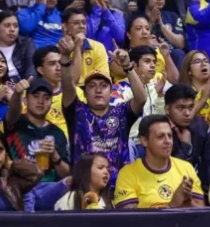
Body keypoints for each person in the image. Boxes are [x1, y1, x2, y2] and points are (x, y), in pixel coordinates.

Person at [59, 34, 146, 182]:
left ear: (111, 92)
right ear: (84, 93)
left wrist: (128, 66)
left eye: (104, 86)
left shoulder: (121, 112)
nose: (98, 90)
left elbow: (141, 98)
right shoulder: (77, 111)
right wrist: (66, 58)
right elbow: (68, 85)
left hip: (118, 187)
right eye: (92, 86)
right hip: (83, 186)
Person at [113, 114, 204, 208]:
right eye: (160, 136)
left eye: (170, 136)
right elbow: (128, 219)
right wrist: (172, 205)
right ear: (144, 140)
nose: (168, 141)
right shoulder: (128, 174)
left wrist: (189, 203)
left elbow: (203, 215)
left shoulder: (186, 168)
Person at [3, 77, 71, 183]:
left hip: (49, 189)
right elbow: (14, 110)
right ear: (25, 100)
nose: (41, 101)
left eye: (46, 97)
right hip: (20, 186)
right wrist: (17, 94)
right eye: (36, 96)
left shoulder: (57, 133)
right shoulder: (16, 123)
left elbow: (66, 175)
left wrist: (55, 156)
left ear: (51, 103)